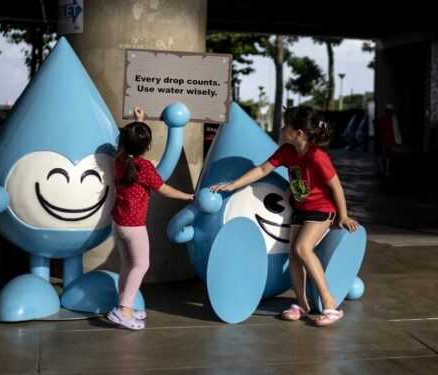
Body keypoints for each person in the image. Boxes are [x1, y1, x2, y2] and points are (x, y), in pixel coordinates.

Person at [210, 106, 359, 327]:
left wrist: (344, 216)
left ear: (298, 132)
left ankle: (329, 302)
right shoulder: (287, 151)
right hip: (301, 209)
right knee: (293, 255)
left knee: (302, 249)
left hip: (321, 209)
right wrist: (233, 184)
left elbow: (336, 188)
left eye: (286, 125)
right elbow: (262, 170)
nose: (281, 129)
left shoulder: (317, 156)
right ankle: (302, 305)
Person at [109, 107, 194, 330]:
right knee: (141, 264)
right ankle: (123, 311)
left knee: (128, 264)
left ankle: (122, 306)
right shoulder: (144, 167)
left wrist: (138, 121)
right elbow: (163, 188)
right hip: (134, 225)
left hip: (118, 222)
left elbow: (127, 144)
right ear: (147, 146)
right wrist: (186, 196)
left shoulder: (119, 159)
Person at [374, 104, 401, 176]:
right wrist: (398, 140)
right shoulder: (393, 119)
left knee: (379, 153)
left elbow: (377, 127)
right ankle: (387, 170)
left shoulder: (381, 119)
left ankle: (381, 168)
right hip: (389, 139)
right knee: (388, 154)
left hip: (381, 139)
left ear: (385, 111)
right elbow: (396, 130)